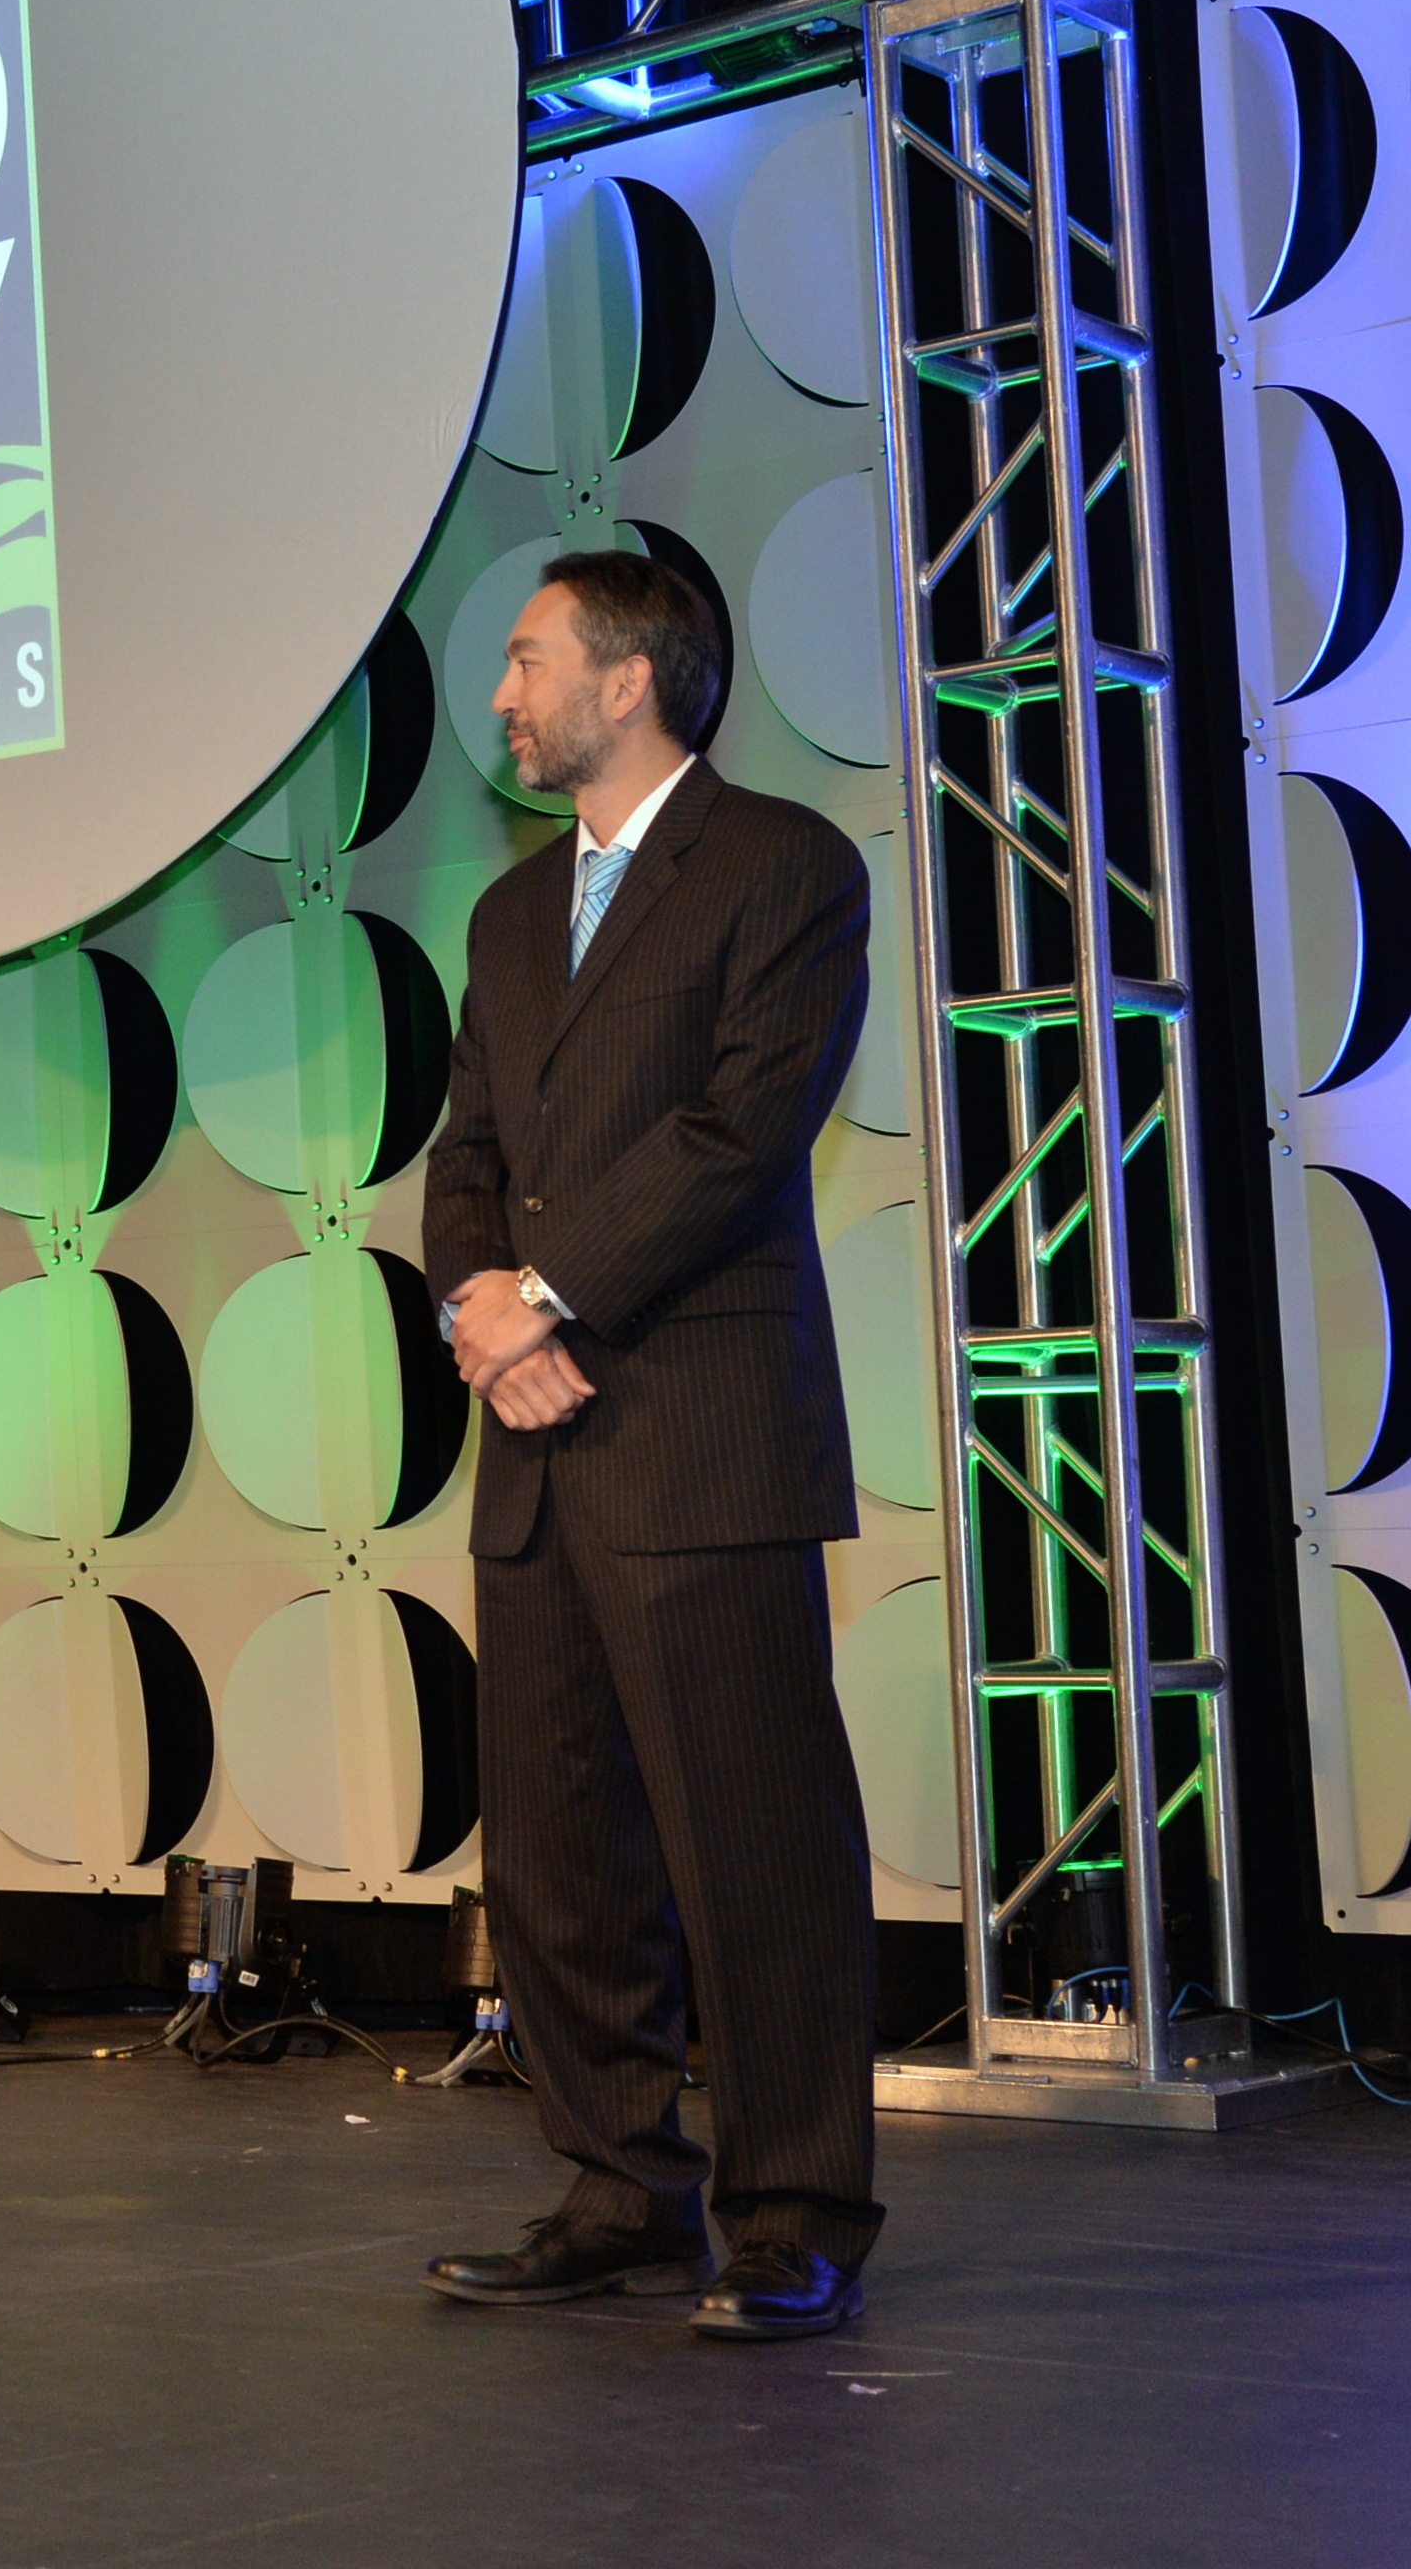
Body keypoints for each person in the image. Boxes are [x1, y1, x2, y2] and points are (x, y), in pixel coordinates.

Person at [415, 544, 880, 2344]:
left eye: (530, 659)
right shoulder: (510, 918)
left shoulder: (783, 867)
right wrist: (474, 1303)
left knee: (751, 1840)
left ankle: (793, 2214)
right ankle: (622, 2187)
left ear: (629, 680)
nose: (507, 692)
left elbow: (737, 1131)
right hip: (535, 1449)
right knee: (559, 1853)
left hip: (697, 1430)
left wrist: (551, 1300)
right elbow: (467, 1143)